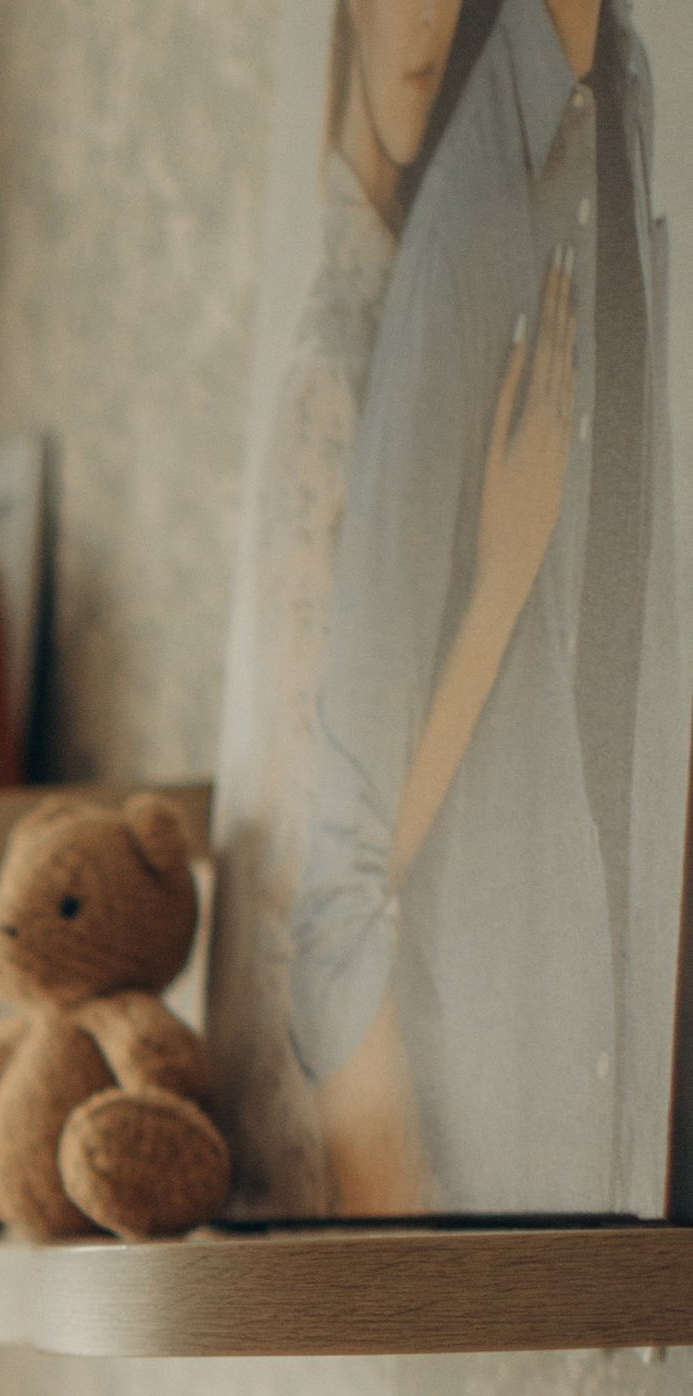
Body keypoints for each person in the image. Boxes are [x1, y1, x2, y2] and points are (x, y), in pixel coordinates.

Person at [291, 0, 684, 1215]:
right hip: (475, 1127)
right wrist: (504, 574)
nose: (422, 19)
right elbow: (332, 879)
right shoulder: (414, 278)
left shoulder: (622, 96)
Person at [210, 0, 479, 1213]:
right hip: (350, 1016)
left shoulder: (411, 297)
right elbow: (335, 855)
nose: (430, 21)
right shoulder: (332, 363)